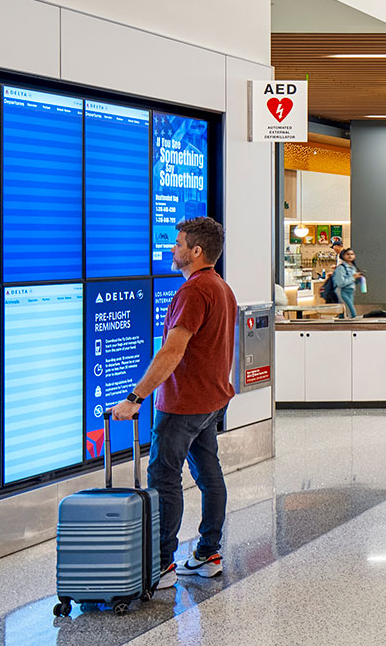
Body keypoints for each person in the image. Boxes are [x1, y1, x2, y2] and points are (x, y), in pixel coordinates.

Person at [111, 217, 237, 588]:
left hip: (184, 405)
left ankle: (162, 563)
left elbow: (172, 351)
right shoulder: (221, 287)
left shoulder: (194, 292)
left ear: (196, 251)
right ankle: (208, 552)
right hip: (211, 400)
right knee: (209, 475)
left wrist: (135, 397)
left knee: (165, 479)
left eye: (179, 243)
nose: (173, 248)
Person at [329, 247, 365, 319]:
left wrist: (358, 278)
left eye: (352, 254)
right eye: (347, 254)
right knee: (352, 312)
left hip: (350, 291)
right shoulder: (341, 268)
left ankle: (341, 327)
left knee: (343, 312)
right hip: (342, 291)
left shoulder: (353, 268)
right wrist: (353, 277)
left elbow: (353, 282)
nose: (350, 256)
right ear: (343, 256)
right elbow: (341, 283)